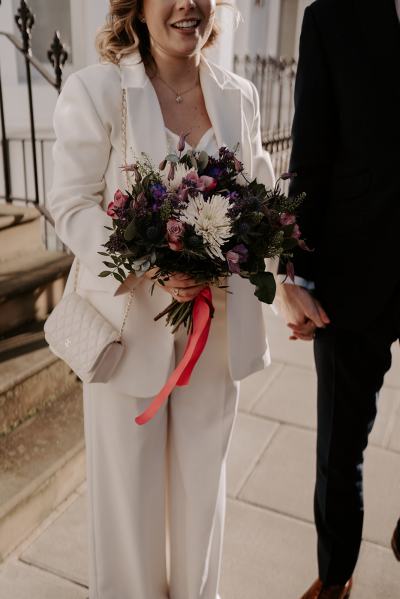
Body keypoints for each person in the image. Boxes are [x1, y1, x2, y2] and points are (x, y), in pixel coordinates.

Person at [48, 1, 274, 598]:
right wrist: (154, 262)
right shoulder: (96, 92)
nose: (187, 5)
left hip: (216, 337)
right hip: (126, 337)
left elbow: (263, 197)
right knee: (128, 513)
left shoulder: (240, 96)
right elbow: (70, 203)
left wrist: (253, 255)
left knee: (204, 499)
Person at [277, 0, 400, 597]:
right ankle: (336, 576)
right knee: (338, 448)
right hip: (353, 268)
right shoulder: (331, 15)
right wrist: (294, 270)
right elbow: (312, 152)